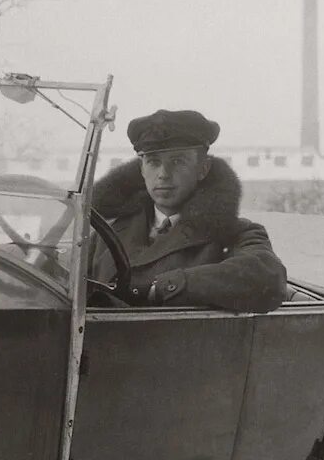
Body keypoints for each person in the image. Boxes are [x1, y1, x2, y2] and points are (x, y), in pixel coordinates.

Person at [88, 109, 289, 313]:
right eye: (154, 162)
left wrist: (163, 288)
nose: (163, 175)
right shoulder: (106, 234)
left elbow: (268, 277)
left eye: (177, 162)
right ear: (141, 169)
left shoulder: (235, 234)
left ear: (203, 169)